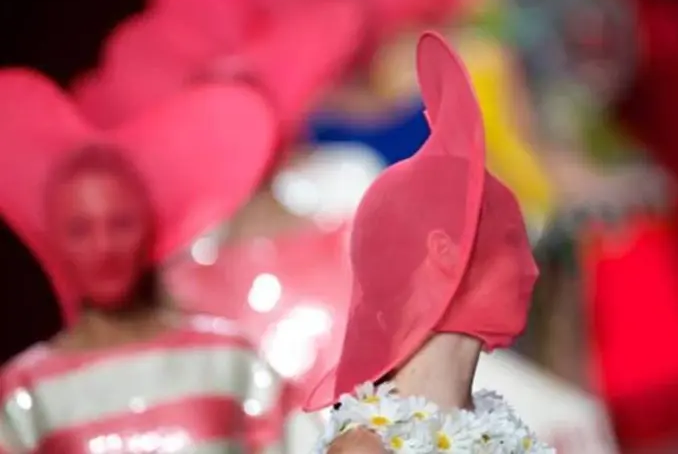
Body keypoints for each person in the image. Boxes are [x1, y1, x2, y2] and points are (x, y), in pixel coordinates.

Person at [0, 71, 280, 453]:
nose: (104, 247)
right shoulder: (24, 391)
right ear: (54, 239)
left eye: (121, 223)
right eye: (80, 229)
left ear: (150, 227)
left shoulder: (228, 356)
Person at [303, 32, 554, 453]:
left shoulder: (500, 423)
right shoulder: (366, 447)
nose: (532, 268)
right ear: (445, 253)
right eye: (511, 241)